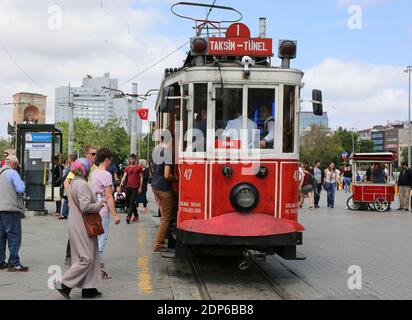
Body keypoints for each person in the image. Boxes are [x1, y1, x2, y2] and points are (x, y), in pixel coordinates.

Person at [55, 158, 105, 300]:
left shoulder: (74, 183)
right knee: (86, 258)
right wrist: (99, 205)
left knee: (90, 255)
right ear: (84, 169)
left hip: (77, 223)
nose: (90, 169)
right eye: (89, 167)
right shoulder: (82, 184)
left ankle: (89, 288)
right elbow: (85, 206)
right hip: (82, 224)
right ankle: (63, 284)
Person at [63, 146, 98, 266]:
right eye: (92, 154)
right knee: (78, 231)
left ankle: (89, 258)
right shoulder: (80, 166)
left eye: (96, 154)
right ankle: (71, 255)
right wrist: (71, 200)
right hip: (81, 203)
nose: (94, 156)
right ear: (86, 154)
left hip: (90, 201)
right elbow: (66, 183)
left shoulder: (95, 168)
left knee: (90, 231)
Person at [91, 148, 121, 279]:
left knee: (94, 239)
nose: (110, 162)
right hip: (102, 210)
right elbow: (109, 197)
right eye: (110, 159)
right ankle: (95, 269)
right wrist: (115, 215)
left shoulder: (94, 172)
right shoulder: (106, 175)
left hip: (93, 209)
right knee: (101, 240)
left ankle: (92, 267)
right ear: (107, 159)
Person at [0, 155, 28, 272]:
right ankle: (14, 263)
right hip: (10, 209)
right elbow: (20, 188)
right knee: (14, 236)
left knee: (1, 237)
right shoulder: (12, 173)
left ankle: (1, 262)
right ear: (14, 164)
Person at [151, 132, 177, 253]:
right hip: (164, 187)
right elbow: (167, 175)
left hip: (155, 185)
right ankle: (159, 244)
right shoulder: (167, 153)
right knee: (167, 216)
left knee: (165, 214)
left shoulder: (156, 150)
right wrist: (176, 178)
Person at [120, 154, 143, 224]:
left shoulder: (139, 167)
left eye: (133, 159)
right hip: (128, 187)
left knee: (131, 202)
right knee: (129, 202)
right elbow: (124, 176)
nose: (132, 160)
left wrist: (140, 187)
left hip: (135, 188)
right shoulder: (127, 168)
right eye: (131, 159)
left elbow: (141, 178)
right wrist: (121, 182)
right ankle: (136, 215)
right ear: (129, 159)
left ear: (135, 159)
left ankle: (128, 216)